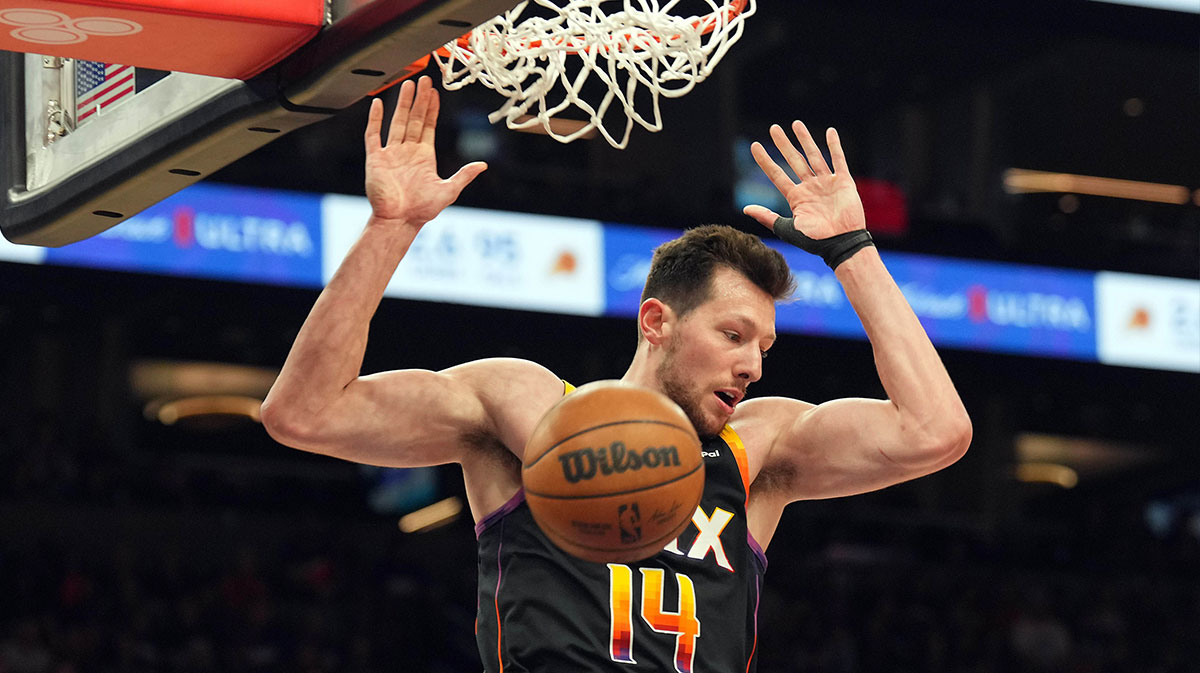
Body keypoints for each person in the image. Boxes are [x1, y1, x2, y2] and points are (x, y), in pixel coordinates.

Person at [261, 75, 972, 672]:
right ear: (656, 321)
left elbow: (936, 430)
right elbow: (305, 413)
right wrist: (389, 229)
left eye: (764, 346)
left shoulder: (758, 450)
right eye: (732, 334)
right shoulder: (527, 408)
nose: (752, 364)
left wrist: (854, 252)